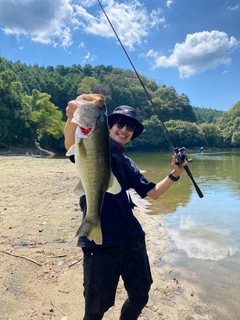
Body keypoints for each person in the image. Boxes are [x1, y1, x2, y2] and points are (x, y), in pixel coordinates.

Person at [64, 94, 187, 320]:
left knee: (140, 296)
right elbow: (71, 143)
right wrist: (72, 115)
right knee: (95, 308)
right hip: (100, 243)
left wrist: (175, 174)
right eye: (119, 123)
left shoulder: (128, 163)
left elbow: (153, 193)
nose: (124, 129)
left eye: (129, 126)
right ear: (108, 126)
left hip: (131, 238)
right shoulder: (92, 143)